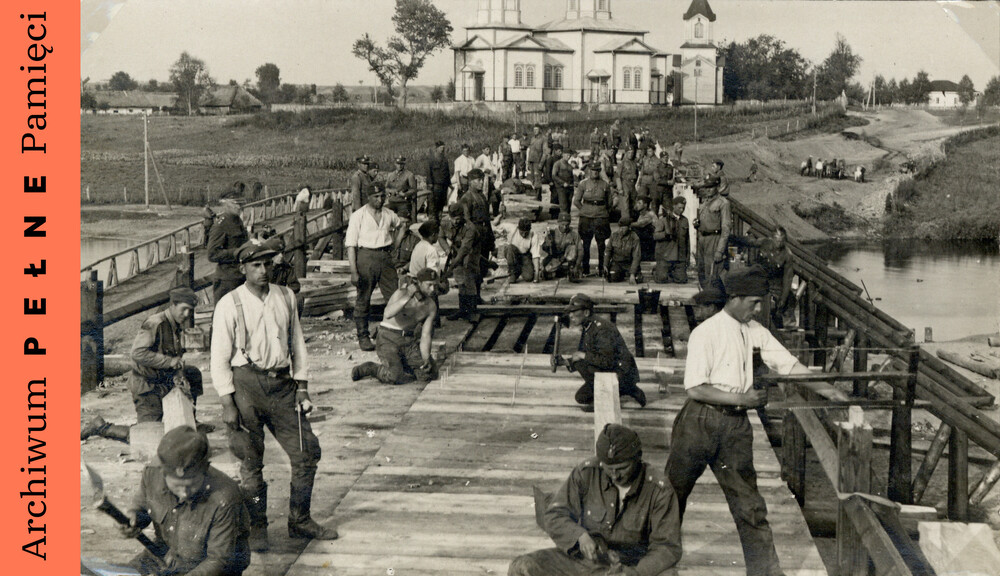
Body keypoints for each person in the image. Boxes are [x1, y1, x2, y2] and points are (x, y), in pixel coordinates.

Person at [666, 267, 847, 576]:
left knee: (749, 505)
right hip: (698, 423)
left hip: (735, 429)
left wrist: (831, 392)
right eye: (754, 302)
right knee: (671, 497)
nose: (759, 309)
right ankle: (655, 564)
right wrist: (742, 400)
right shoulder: (705, 332)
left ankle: (766, 572)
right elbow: (695, 388)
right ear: (734, 298)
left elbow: (790, 367)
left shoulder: (756, 332)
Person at [210, 240, 337, 551]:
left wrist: (302, 385)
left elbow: (297, 343)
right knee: (251, 463)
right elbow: (218, 356)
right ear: (242, 269)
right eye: (256, 265)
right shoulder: (230, 303)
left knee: (307, 452)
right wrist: (227, 401)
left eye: (267, 264)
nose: (263, 270)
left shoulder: (286, 296)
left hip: (283, 387)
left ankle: (299, 520)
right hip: (245, 388)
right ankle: (257, 527)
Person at [508, 423, 681, 576]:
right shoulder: (586, 473)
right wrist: (580, 537)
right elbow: (555, 515)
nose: (615, 475)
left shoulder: (660, 490)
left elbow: (667, 547)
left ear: (637, 458)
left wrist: (634, 573)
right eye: (608, 468)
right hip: (588, 563)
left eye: (622, 468)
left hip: (633, 565)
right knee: (523, 567)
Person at [121, 426, 250, 576]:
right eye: (177, 486)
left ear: (205, 469)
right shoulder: (152, 473)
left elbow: (219, 560)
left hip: (210, 570)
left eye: (191, 485)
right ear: (163, 473)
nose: (184, 493)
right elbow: (141, 507)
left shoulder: (225, 497)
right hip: (163, 555)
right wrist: (133, 518)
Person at [81, 287, 203, 444]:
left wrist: (179, 374)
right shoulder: (155, 323)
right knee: (149, 438)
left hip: (164, 381)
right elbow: (137, 353)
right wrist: (169, 362)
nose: (187, 314)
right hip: (147, 386)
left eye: (190, 310)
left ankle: (192, 421)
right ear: (173, 304)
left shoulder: (176, 324)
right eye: (184, 309)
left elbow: (176, 354)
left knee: (192, 373)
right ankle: (101, 427)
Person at [351, 268, 440, 385]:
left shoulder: (430, 306)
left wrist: (426, 358)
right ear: (418, 283)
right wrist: (408, 296)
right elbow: (388, 313)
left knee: (429, 373)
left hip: (408, 342)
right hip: (388, 338)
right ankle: (372, 368)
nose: (433, 289)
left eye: (435, 285)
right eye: (429, 285)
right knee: (395, 376)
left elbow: (425, 335)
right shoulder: (401, 293)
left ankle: (403, 364)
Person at [559, 294, 647, 410]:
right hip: (611, 368)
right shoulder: (589, 326)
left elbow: (607, 361)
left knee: (581, 363)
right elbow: (591, 354)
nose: (571, 315)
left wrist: (582, 355)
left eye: (574, 311)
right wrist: (564, 362)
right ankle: (617, 390)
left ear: (586, 313)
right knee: (581, 397)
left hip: (621, 372)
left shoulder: (602, 329)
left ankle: (624, 388)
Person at [345, 182, 401, 351]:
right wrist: (354, 271)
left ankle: (391, 333)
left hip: (385, 257)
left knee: (394, 297)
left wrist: (395, 245)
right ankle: (363, 336)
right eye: (376, 196)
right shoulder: (358, 216)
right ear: (368, 197)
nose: (380, 199)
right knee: (363, 298)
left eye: (382, 196)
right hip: (366, 257)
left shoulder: (388, 214)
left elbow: (401, 226)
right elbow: (350, 245)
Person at [728, 227, 794, 329]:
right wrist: (734, 238)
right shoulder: (765, 243)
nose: (779, 243)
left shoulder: (787, 255)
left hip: (776, 284)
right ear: (772, 238)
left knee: (781, 308)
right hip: (759, 278)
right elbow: (750, 242)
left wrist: (783, 298)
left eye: (781, 240)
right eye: (777, 240)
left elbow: (787, 279)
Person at [692, 161, 732, 289]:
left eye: (711, 187)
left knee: (713, 274)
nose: (708, 190)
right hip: (703, 239)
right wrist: (697, 224)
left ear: (717, 187)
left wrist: (720, 250)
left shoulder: (723, 203)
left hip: (714, 240)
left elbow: (726, 229)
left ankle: (713, 303)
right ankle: (705, 299)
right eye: (706, 187)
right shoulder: (704, 202)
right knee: (701, 272)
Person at [443, 203, 482, 322]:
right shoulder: (445, 222)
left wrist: (451, 266)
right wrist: (446, 249)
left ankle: (472, 312)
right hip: (456, 251)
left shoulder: (470, 228)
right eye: (453, 219)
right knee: (460, 279)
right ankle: (462, 310)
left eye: (458, 219)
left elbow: (465, 250)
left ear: (462, 217)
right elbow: (440, 237)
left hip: (471, 252)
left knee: (469, 278)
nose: (455, 222)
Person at [573, 163, 612, 277]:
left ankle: (601, 269)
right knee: (586, 243)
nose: (595, 172)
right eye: (593, 170)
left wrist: (604, 212)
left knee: (601, 244)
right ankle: (585, 269)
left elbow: (609, 202)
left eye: (597, 170)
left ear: (599, 171)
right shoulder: (583, 184)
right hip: (587, 218)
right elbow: (576, 201)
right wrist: (584, 210)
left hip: (601, 217)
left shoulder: (605, 185)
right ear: (589, 171)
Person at [207, 198, 249, 302]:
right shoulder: (221, 224)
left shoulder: (237, 220)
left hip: (241, 276)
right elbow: (212, 254)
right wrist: (237, 252)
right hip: (227, 279)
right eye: (236, 203)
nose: (239, 207)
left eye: (241, 203)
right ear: (226, 204)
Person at [653, 196, 690, 284]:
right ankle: (657, 270)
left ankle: (673, 272)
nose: (681, 210)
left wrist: (687, 257)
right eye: (679, 207)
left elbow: (687, 240)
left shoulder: (685, 220)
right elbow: (655, 235)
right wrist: (665, 235)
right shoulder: (663, 220)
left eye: (683, 208)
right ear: (674, 206)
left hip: (679, 257)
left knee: (682, 280)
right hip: (666, 256)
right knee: (661, 279)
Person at [501, 217, 545, 284]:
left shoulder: (533, 236)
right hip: (513, 254)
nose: (524, 235)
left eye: (526, 233)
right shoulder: (512, 229)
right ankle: (512, 272)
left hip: (524, 256)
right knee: (509, 248)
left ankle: (519, 270)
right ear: (518, 229)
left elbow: (535, 256)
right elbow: (496, 224)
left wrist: (536, 275)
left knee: (529, 277)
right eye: (522, 232)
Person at [540, 212, 582, 282]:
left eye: (567, 225)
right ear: (558, 223)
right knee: (546, 273)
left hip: (569, 258)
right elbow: (543, 251)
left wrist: (577, 265)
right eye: (562, 225)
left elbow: (580, 250)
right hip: (556, 258)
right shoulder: (552, 233)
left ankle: (571, 268)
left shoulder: (574, 234)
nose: (565, 227)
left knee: (573, 247)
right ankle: (561, 271)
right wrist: (547, 244)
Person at [605, 216, 643, 284]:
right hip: (617, 263)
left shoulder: (634, 237)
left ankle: (629, 273)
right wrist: (605, 265)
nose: (621, 230)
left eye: (623, 228)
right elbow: (608, 251)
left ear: (629, 228)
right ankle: (621, 274)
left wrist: (632, 273)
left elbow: (637, 256)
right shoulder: (614, 235)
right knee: (612, 277)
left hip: (629, 263)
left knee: (637, 279)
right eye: (620, 227)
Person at [426, 141, 452, 221]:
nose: (442, 149)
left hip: (444, 185)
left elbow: (447, 172)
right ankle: (432, 219)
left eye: (443, 148)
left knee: (441, 202)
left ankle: (439, 218)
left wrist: (449, 183)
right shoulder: (431, 159)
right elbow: (428, 172)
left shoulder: (444, 159)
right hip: (435, 185)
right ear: (436, 149)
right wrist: (430, 183)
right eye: (441, 148)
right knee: (433, 202)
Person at [550, 143, 575, 219]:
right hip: (561, 188)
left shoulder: (569, 166)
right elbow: (554, 176)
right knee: (563, 205)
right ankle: (563, 221)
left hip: (570, 188)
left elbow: (572, 177)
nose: (569, 156)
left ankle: (567, 220)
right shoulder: (557, 164)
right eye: (567, 155)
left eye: (570, 155)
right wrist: (562, 183)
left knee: (569, 205)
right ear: (563, 154)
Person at [629, 195, 657, 262]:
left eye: (639, 203)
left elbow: (641, 224)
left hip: (652, 238)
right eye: (637, 203)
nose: (637, 205)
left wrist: (627, 224)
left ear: (645, 205)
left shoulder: (650, 214)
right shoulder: (641, 213)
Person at [616, 146, 639, 222]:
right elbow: (618, 176)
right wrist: (620, 188)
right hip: (625, 183)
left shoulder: (634, 162)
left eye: (632, 153)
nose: (630, 154)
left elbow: (637, 174)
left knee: (633, 202)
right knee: (625, 204)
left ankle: (631, 221)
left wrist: (636, 184)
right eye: (629, 152)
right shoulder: (622, 163)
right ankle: (625, 221)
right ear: (626, 153)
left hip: (632, 184)